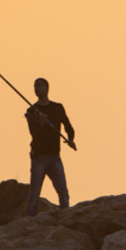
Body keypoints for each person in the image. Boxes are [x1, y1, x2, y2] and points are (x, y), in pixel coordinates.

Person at [25, 77, 76, 215]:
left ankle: (66, 218)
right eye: (35, 86)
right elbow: (33, 133)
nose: (37, 88)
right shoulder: (31, 111)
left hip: (54, 156)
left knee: (63, 192)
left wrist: (70, 139)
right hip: (38, 157)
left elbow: (68, 126)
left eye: (40, 85)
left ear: (47, 88)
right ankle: (30, 220)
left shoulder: (57, 108)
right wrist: (40, 122)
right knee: (34, 193)